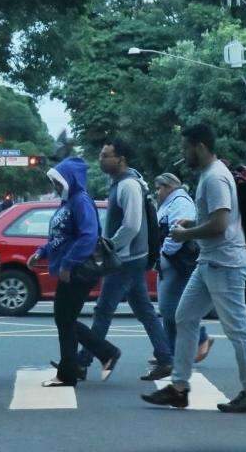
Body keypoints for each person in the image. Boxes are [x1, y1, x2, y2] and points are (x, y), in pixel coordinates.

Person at [142, 124, 246, 413]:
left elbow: (221, 224)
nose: (183, 154)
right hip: (209, 261)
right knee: (184, 316)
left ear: (199, 146)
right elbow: (211, 219)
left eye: (186, 148)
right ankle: (179, 387)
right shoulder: (210, 176)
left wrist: (186, 234)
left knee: (237, 329)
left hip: (225, 263)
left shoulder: (215, 178)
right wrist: (191, 224)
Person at [76, 139, 173, 381]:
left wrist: (108, 247)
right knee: (144, 311)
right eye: (101, 154)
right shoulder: (120, 183)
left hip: (126, 259)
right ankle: (165, 358)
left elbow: (131, 225)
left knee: (103, 310)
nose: (101, 159)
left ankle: (83, 361)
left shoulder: (128, 185)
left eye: (105, 155)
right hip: (130, 258)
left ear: (121, 159)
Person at [28, 157, 121, 387]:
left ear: (70, 180)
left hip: (78, 270)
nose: (55, 186)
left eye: (58, 181)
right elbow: (61, 237)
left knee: (64, 319)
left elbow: (88, 236)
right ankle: (96, 356)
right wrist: (42, 252)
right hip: (68, 268)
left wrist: (68, 264)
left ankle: (73, 370)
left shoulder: (80, 201)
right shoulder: (68, 202)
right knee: (65, 319)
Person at [155, 172, 214, 362]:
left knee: (171, 309)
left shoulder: (180, 202)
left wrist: (165, 253)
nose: (157, 193)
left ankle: (200, 338)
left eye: (159, 188)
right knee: (169, 309)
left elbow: (177, 233)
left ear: (168, 187)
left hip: (177, 263)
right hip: (170, 262)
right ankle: (171, 352)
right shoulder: (170, 203)